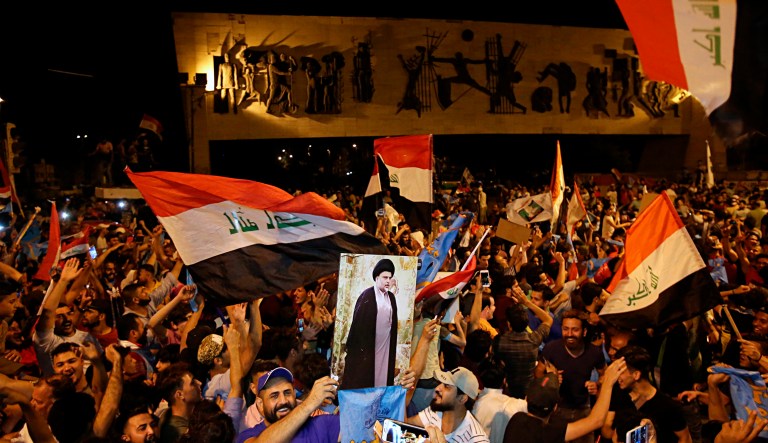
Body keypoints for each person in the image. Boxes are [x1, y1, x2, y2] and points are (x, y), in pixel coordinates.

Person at [503, 357, 627, 443]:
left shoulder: (516, 419)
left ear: (526, 399)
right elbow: (596, 421)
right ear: (555, 407)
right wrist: (608, 383)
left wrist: (552, 376)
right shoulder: (549, 433)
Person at [238, 367, 340, 443]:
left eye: (287, 393)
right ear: (260, 404)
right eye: (274, 396)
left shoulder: (320, 424)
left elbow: (353, 429)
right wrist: (309, 403)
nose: (283, 401)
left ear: (294, 395)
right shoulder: (249, 435)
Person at [340, 258, 398, 390]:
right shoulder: (367, 296)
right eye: (385, 277)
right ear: (377, 278)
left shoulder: (391, 298)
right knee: (366, 376)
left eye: (390, 277)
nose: (388, 281)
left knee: (382, 376)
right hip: (369, 347)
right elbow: (358, 327)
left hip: (385, 345)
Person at [404, 366, 490, 442]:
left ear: (462, 398)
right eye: (440, 383)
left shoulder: (476, 439)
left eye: (447, 386)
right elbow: (404, 424)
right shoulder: (436, 412)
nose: (437, 388)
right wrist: (405, 393)